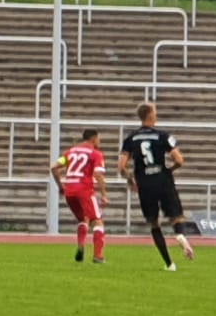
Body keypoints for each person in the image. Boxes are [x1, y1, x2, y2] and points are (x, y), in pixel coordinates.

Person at [118, 102, 196, 271]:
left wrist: (131, 179)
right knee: (176, 216)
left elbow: (121, 166)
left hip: (144, 183)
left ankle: (169, 264)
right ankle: (180, 235)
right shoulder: (162, 136)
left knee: (154, 223)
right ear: (151, 115)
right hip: (162, 179)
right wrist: (169, 170)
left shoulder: (130, 139)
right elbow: (179, 160)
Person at [52, 129, 109, 263]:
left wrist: (61, 186)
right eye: (99, 138)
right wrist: (104, 194)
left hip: (70, 190)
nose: (99, 141)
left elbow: (53, 167)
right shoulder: (96, 154)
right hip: (84, 190)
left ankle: (81, 246)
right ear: (93, 139)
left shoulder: (70, 152)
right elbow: (98, 174)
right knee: (97, 220)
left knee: (83, 219)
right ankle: (98, 256)